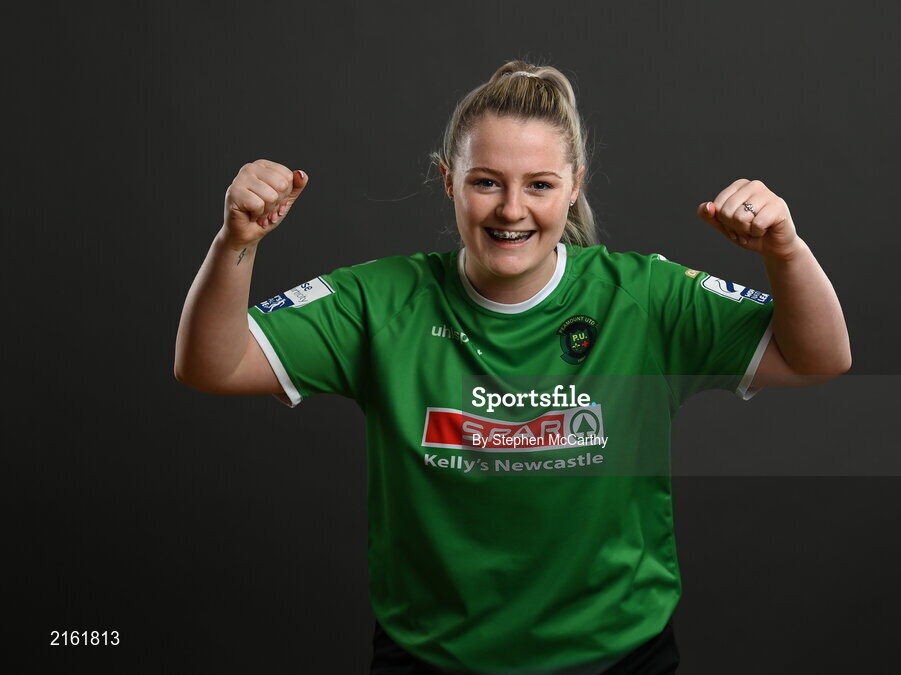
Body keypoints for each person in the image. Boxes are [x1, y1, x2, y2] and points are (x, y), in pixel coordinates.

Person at [174, 60, 851, 675]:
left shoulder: (642, 298)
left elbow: (817, 356)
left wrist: (785, 252)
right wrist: (237, 240)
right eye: (486, 183)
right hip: (431, 661)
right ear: (448, 181)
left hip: (617, 662)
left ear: (574, 186)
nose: (511, 209)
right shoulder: (379, 302)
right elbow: (213, 363)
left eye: (540, 184)